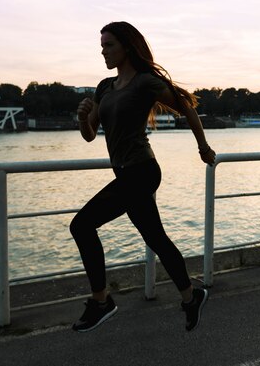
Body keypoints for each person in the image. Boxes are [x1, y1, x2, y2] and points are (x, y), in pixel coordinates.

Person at [70, 21, 216, 333]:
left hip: (142, 171)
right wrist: (82, 118)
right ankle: (191, 296)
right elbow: (89, 134)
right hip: (125, 172)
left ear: (127, 46)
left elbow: (187, 108)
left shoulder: (145, 82)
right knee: (156, 238)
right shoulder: (105, 88)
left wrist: (203, 147)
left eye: (108, 45)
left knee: (81, 225)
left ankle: (101, 301)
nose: (103, 51)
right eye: (102, 45)